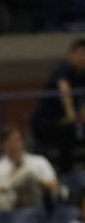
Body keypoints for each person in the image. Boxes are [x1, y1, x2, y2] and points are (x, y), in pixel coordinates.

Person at [31, 37, 85, 172]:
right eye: (80, 54)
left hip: (64, 124)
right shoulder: (63, 68)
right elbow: (64, 90)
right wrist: (72, 116)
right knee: (69, 133)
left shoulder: (82, 75)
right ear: (70, 55)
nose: (83, 58)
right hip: (44, 123)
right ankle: (65, 174)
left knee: (71, 133)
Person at [0, 124, 58, 215]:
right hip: (7, 211)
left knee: (28, 174)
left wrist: (35, 181)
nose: (14, 145)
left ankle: (10, 184)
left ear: (23, 141)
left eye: (17, 140)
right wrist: (12, 179)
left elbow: (54, 187)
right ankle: (9, 185)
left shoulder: (39, 161)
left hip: (34, 209)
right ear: (2, 145)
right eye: (9, 142)